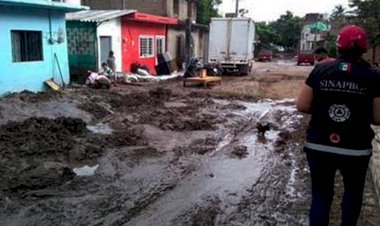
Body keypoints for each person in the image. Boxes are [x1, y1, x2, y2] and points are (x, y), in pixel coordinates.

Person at [297, 25, 380, 226]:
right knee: (352, 195)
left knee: (321, 196)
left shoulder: (321, 69)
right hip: (356, 149)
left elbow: (302, 105)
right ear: (363, 48)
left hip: (319, 144)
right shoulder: (373, 75)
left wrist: (324, 111)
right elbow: (378, 118)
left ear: (338, 46)